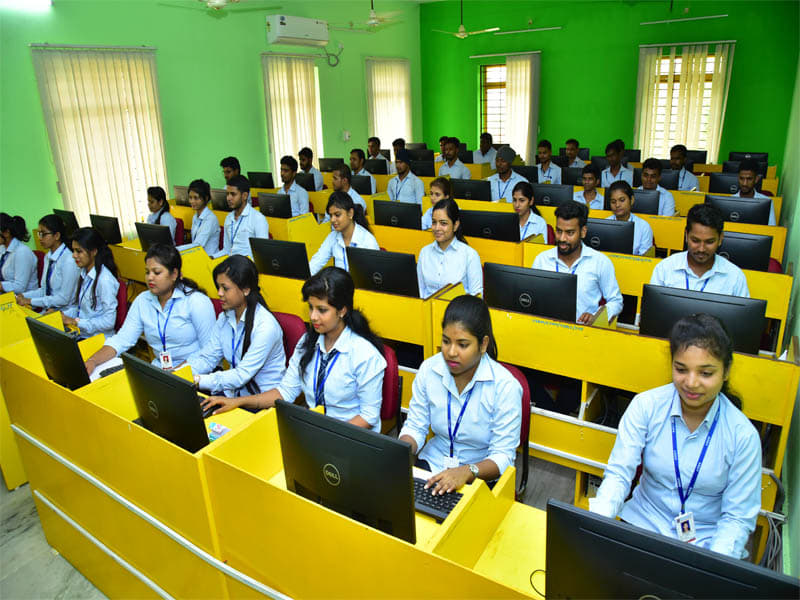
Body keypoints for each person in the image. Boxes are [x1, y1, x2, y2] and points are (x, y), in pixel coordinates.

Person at [589, 314, 761, 559]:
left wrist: (713, 567)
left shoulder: (742, 436)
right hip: (643, 523)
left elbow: (736, 518)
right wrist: (596, 526)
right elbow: (619, 474)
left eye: (706, 373)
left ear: (725, 371)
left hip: (705, 542)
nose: (691, 383)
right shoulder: (646, 406)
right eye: (681, 369)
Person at [201, 267, 387, 432]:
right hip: (314, 430)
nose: (313, 316)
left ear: (342, 310)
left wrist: (329, 436)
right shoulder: (308, 342)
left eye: (322, 310)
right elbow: (285, 392)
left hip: (350, 436)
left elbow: (369, 417)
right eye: (310, 308)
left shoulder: (364, 354)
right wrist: (237, 402)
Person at [399, 294, 522, 494]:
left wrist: (466, 471)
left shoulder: (505, 386)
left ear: (483, 344)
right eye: (446, 341)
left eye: (463, 344)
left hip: (480, 475)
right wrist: (401, 449)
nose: (451, 352)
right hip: (434, 465)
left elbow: (503, 457)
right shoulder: (429, 369)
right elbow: (415, 425)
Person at [84, 243, 216, 375]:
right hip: (160, 371)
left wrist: (174, 375)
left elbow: (208, 353)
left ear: (174, 274)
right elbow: (122, 339)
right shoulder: (143, 300)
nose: (150, 277)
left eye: (156, 272)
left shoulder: (197, 302)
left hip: (195, 373)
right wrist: (93, 361)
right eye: (147, 272)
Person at [187, 255, 285, 398]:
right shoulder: (225, 318)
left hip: (261, 400)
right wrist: (181, 373)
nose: (219, 293)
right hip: (232, 393)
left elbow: (241, 375)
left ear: (245, 289)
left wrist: (197, 380)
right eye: (218, 287)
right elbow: (208, 358)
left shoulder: (266, 327)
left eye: (225, 288)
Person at [532, 201, 623, 323]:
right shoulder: (542, 260)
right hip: (547, 328)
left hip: (584, 333)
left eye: (570, 233)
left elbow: (616, 301)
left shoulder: (600, 262)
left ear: (583, 232)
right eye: (559, 231)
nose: (562, 238)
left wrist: (596, 317)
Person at [650, 204, 749, 297]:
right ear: (686, 235)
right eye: (695, 241)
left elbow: (743, 315)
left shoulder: (735, 276)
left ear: (720, 238)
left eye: (709, 242)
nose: (701, 249)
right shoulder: (665, 268)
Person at [60, 227, 120, 339]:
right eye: (73, 250)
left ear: (94, 252)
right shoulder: (84, 272)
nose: (74, 255)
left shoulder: (104, 280)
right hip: (82, 334)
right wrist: (61, 315)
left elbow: (109, 321)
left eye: (79, 251)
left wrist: (76, 322)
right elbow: (80, 310)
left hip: (98, 339)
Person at [417, 198, 482, 298]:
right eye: (434, 222)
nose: (437, 228)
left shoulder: (470, 255)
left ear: (455, 225)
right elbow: (420, 291)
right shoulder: (424, 252)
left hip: (457, 312)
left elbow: (476, 299)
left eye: (443, 223)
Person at [17, 214, 80, 311]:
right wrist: (22, 295)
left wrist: (30, 301)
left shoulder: (69, 261)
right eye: (39, 234)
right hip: (49, 310)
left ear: (57, 236)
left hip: (65, 313)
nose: (39, 238)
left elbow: (63, 299)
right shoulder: (48, 256)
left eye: (43, 234)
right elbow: (44, 290)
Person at [309, 192, 379, 275]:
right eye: (331, 216)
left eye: (337, 215)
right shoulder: (332, 237)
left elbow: (374, 277)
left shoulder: (368, 241)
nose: (332, 220)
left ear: (350, 214)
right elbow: (315, 263)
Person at [212, 175, 268, 259]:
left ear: (244, 196)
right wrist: (212, 257)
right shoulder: (228, 218)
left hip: (247, 266)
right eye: (227, 194)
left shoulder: (258, 219)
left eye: (233, 194)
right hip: (231, 263)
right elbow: (227, 250)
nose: (228, 198)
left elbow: (262, 254)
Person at [606, 181, 654, 256]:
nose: (617, 205)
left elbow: (644, 259)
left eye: (622, 200)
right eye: (613, 202)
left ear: (631, 200)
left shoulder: (643, 227)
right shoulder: (605, 223)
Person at [177, 179, 220, 257]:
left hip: (209, 259)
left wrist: (176, 250)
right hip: (197, 256)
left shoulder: (211, 219)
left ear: (206, 198)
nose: (192, 201)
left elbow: (198, 244)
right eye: (190, 197)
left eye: (196, 198)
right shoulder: (195, 216)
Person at [0, 213, 37, 294]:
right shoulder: (2, 248)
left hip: (23, 301)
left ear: (6, 233)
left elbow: (19, 287)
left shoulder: (22, 252)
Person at [733, 159, 776, 226]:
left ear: (756, 179)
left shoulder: (766, 202)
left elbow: (772, 228)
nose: (744, 183)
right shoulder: (730, 199)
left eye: (749, 179)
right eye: (741, 178)